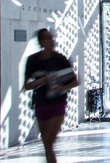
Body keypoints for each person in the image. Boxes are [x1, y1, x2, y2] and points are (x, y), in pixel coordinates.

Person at [24, 28, 78, 163]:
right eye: (47, 38)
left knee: (49, 142)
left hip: (58, 104)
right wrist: (41, 81)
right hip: (41, 104)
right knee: (47, 144)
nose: (51, 40)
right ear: (40, 42)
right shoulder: (32, 60)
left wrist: (62, 88)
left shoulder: (60, 59)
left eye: (51, 37)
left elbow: (75, 81)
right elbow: (26, 86)